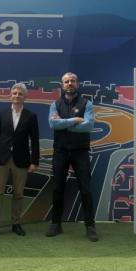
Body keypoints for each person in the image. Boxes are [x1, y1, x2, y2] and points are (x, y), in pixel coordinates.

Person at [46, 72, 99, 242]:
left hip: (80, 151)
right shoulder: (55, 104)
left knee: (86, 189)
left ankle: (90, 226)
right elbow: (52, 123)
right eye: (66, 81)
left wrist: (65, 124)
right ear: (62, 85)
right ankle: (56, 223)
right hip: (60, 151)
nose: (70, 83)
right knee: (57, 188)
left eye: (72, 81)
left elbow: (88, 125)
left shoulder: (87, 103)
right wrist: (75, 120)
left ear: (77, 84)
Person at [0, 83, 39, 239]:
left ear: (25, 97)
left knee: (18, 194)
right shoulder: (1, 114)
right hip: (1, 159)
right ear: (10, 95)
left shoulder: (31, 116)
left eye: (20, 94)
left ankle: (16, 224)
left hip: (22, 161)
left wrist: (34, 161)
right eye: (14, 93)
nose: (17, 96)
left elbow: (35, 141)